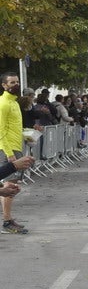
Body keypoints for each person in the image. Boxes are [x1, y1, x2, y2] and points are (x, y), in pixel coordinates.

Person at [0, 72, 29, 233]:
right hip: (7, 149)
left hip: (16, 147)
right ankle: (6, 221)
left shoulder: (14, 103)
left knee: (12, 184)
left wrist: (27, 136)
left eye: (17, 82)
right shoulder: (3, 103)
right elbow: (1, 131)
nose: (16, 85)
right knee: (9, 185)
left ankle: (8, 218)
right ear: (4, 85)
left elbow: (14, 127)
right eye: (12, 82)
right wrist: (9, 153)